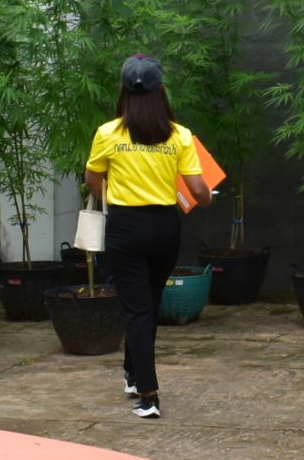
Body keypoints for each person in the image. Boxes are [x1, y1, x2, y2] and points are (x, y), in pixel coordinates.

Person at [83, 55, 212, 421]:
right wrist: (205, 197)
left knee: (138, 308)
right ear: (161, 91)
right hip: (164, 227)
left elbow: (93, 179)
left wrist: (114, 193)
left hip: (125, 227)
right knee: (148, 305)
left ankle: (149, 394)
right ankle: (133, 373)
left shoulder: (108, 133)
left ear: (124, 91)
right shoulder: (179, 135)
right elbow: (198, 190)